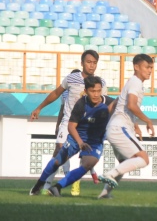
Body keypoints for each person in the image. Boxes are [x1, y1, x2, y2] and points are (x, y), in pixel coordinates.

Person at [30, 50, 107, 197]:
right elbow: (56, 93)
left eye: (94, 63)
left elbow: (103, 106)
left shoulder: (101, 83)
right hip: (69, 123)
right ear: (82, 63)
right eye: (88, 62)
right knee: (59, 151)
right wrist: (39, 108)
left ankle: (69, 183)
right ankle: (42, 185)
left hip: (88, 128)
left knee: (87, 161)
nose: (91, 65)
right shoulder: (72, 78)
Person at [97, 54, 155, 199]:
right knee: (144, 159)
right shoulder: (135, 82)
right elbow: (131, 105)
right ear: (136, 67)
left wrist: (134, 124)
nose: (150, 71)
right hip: (119, 128)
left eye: (151, 68)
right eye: (147, 67)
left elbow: (114, 104)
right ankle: (110, 174)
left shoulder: (132, 82)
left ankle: (105, 194)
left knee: (124, 163)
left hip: (117, 127)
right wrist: (148, 121)